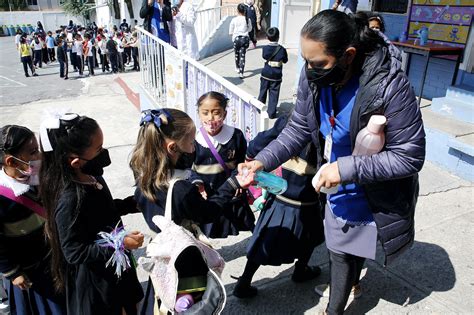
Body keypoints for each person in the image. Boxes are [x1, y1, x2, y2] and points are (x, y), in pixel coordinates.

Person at [238, 10, 425, 315]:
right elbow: (298, 128)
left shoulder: (390, 86)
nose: (310, 70)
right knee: (341, 250)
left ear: (349, 55)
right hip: (336, 179)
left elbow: (409, 155)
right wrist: (261, 161)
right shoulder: (315, 76)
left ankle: (335, 306)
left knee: (350, 249)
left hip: (373, 187)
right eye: (306, 61)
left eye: (318, 63)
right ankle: (341, 296)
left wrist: (345, 169)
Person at [129, 108, 256, 314]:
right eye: (190, 143)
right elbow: (209, 212)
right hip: (186, 257)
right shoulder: (180, 188)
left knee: (163, 297)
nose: (193, 149)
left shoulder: (143, 174)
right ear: (172, 147)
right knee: (192, 304)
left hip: (163, 252)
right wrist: (232, 184)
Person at [39, 113, 144, 314]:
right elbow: (73, 251)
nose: (103, 153)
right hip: (98, 281)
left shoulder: (90, 175)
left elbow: (100, 210)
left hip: (115, 269)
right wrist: (119, 244)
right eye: (98, 150)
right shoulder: (69, 198)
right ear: (75, 161)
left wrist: (131, 204)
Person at [233, 115, 325, 298]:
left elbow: (255, 145)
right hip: (308, 200)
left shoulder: (289, 120)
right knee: (309, 237)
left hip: (281, 197)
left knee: (263, 241)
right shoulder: (331, 127)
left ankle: (245, 281)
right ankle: (300, 270)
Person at [0, 125, 66, 314]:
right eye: (33, 152)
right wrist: (13, 272)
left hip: (52, 262)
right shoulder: (4, 195)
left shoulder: (37, 178)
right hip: (28, 274)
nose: (39, 156)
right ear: (12, 161)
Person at [190, 92, 255, 238]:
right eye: (205, 113)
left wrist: (238, 182)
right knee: (206, 226)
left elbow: (242, 162)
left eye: (216, 113)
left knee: (246, 220)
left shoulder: (236, 136)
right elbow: (189, 167)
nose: (210, 118)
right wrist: (197, 183)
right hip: (207, 193)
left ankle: (258, 245)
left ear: (224, 114)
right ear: (199, 114)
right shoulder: (193, 139)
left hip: (232, 189)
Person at [258, 27, 288, 119]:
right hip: (276, 75)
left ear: (267, 37)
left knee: (263, 91)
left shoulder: (265, 48)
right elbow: (285, 60)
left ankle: (259, 108)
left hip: (266, 73)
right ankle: (271, 113)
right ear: (278, 37)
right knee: (274, 93)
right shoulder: (282, 49)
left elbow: (264, 57)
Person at [229, 3, 252, 79]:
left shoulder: (234, 20)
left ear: (237, 10)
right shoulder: (247, 19)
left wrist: (232, 34)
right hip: (244, 40)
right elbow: (250, 29)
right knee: (242, 55)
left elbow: (230, 31)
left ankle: (237, 68)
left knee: (236, 54)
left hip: (236, 39)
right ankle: (241, 73)